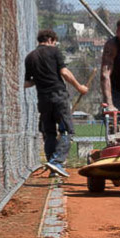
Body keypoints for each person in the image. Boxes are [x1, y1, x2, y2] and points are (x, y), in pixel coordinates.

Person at [24, 29, 88, 177]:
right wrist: (80, 87)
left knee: (49, 132)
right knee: (67, 130)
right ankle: (56, 161)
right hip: (59, 96)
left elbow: (27, 83)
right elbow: (64, 73)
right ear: (51, 40)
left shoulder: (30, 57)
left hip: (43, 99)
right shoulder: (54, 52)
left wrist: (40, 79)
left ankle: (53, 167)